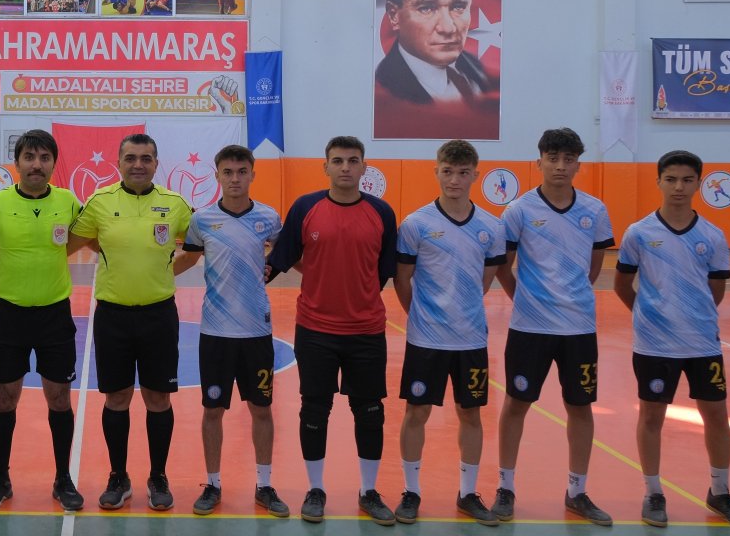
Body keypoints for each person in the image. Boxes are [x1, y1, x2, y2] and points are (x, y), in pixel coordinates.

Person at [266, 135, 398, 525]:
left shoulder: (382, 212)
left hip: (366, 331)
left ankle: (369, 491)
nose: (345, 167)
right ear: (325, 167)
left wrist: (357, 298)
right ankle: (315, 490)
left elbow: (384, 270)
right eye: (337, 161)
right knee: (314, 409)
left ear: (364, 168)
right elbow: (281, 259)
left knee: (370, 412)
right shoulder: (305, 208)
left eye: (353, 161)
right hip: (315, 329)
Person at [493, 128, 614, 525]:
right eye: (553, 158)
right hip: (530, 328)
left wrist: (570, 296)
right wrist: (524, 298)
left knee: (580, 406)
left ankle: (577, 491)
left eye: (568, 159)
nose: (561, 166)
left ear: (578, 164)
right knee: (516, 404)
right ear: (539, 161)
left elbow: (593, 267)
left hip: (578, 328)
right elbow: (503, 266)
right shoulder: (519, 210)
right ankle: (506, 488)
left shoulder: (594, 210)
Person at [67, 133, 192, 511]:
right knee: (117, 397)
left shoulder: (175, 204)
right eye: (131, 158)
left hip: (159, 315)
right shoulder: (100, 202)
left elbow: (195, 248)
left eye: (146, 158)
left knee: (158, 398)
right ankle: (118, 476)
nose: (139, 164)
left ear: (156, 163)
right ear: (119, 163)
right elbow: (75, 241)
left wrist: (167, 271)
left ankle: (158, 476)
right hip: (113, 316)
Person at [614, 150, 730, 527]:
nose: (678, 187)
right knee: (652, 415)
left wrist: (692, 316)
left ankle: (720, 490)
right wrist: (650, 316)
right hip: (654, 345)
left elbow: (716, 289)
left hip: (702, 344)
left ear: (699, 183)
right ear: (659, 182)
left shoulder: (712, 235)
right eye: (671, 179)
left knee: (716, 415)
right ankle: (653, 493)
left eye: (686, 180)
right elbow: (622, 285)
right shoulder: (639, 233)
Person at [392, 140, 505, 526]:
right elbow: (402, 280)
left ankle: (468, 493)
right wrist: (422, 316)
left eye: (462, 172)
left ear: (475, 174)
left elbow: (484, 282)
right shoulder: (416, 224)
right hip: (426, 340)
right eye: (447, 171)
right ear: (436, 171)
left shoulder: (491, 226)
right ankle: (411, 492)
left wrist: (461, 311)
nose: (454, 179)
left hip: (471, 339)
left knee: (470, 413)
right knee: (416, 412)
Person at [172, 144, 289, 518]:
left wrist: (272, 267)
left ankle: (265, 485)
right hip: (216, 332)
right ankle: (213, 484)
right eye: (228, 172)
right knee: (212, 411)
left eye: (242, 171)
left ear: (252, 174)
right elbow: (188, 257)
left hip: (256, 331)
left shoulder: (269, 217)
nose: (235, 178)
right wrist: (150, 273)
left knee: (262, 409)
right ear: (217, 175)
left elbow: (286, 254)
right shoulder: (203, 220)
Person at [0, 129, 84, 512]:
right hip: (9, 317)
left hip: (55, 316)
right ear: (17, 163)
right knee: (5, 399)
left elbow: (88, 238)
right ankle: (0, 478)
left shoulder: (69, 202)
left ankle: (63, 478)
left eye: (44, 158)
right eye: (29, 157)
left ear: (53, 163)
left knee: (59, 398)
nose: (37, 165)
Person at [374, 0, 499, 139]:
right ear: (394, 15)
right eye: (426, 8)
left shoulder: (478, 70)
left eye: (458, 6)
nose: (448, 28)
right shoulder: (383, 90)